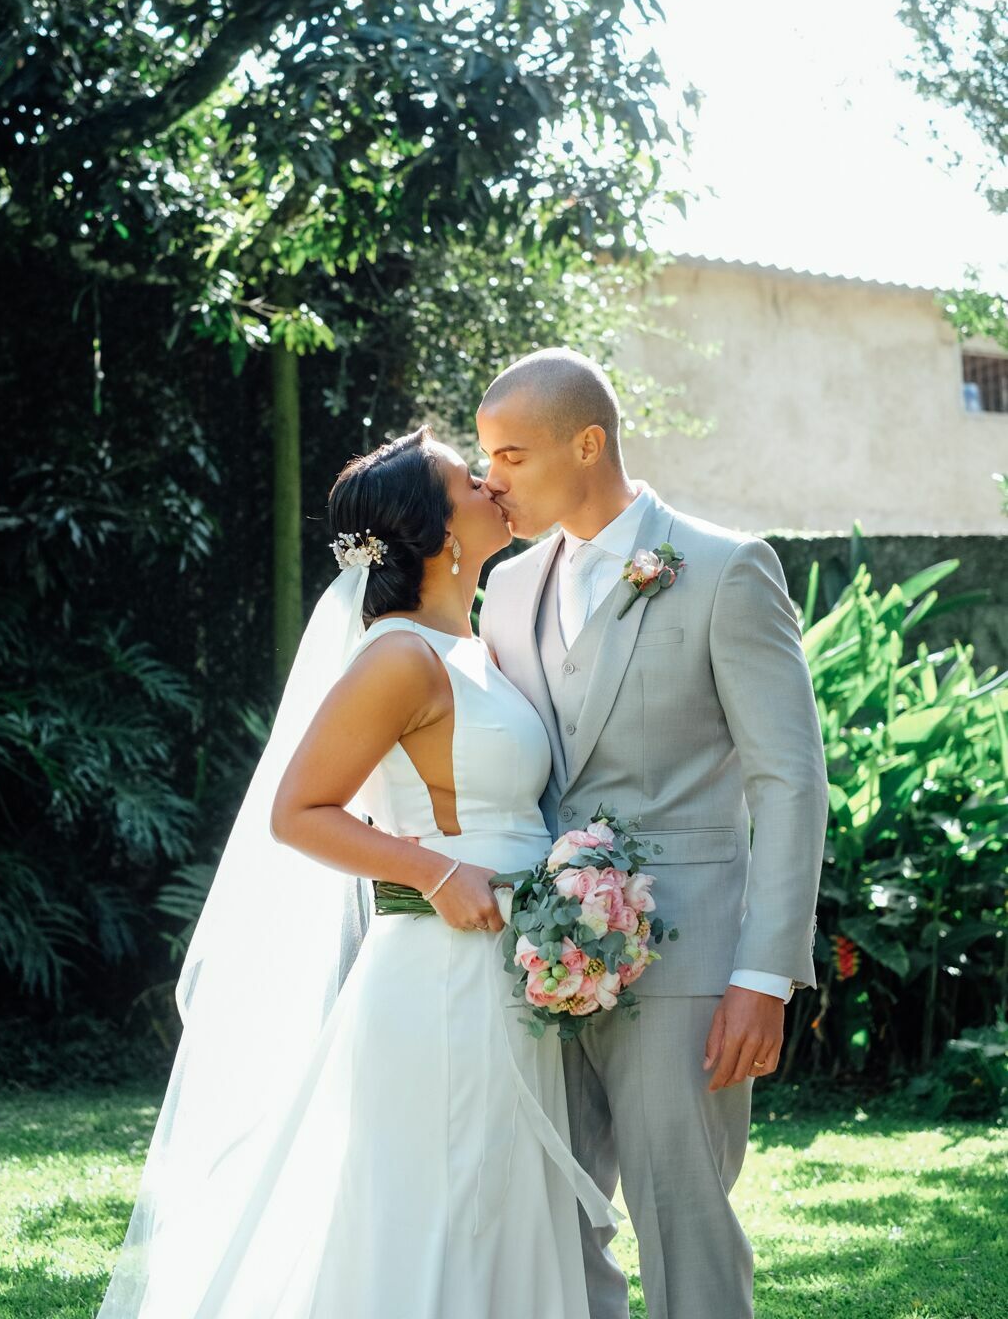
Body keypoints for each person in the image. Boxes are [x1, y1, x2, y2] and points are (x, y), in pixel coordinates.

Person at [95, 423, 617, 1319]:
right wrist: (435, 872)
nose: (492, 486)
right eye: (468, 480)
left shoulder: (476, 648)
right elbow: (297, 809)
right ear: (438, 529)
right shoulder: (398, 655)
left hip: (507, 974)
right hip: (440, 981)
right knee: (444, 1215)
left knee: (498, 1211)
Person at [475, 347, 830, 1319]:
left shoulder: (722, 568)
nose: (488, 479)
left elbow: (788, 778)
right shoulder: (504, 588)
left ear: (585, 443)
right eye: (483, 458)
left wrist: (764, 973)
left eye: (510, 455)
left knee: (681, 1218)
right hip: (538, 961)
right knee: (553, 1217)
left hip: (688, 959)